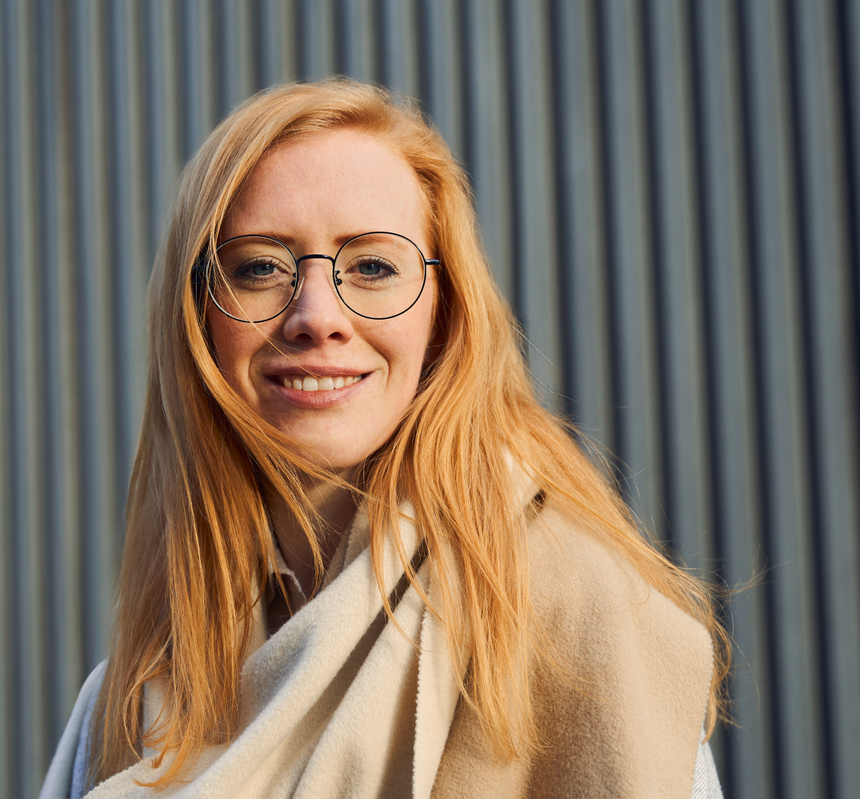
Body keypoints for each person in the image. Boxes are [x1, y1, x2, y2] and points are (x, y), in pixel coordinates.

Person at [40, 78, 728, 799]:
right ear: (198, 319)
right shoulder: (134, 690)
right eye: (260, 267)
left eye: (371, 265)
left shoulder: (583, 619)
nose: (316, 315)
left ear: (444, 311)